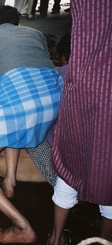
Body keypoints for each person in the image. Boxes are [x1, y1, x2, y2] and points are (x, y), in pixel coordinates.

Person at [0, 6, 63, 243]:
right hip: (56, 98)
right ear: (17, 23)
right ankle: (10, 182)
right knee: (13, 124)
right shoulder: (35, 34)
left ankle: (21, 227)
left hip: (19, 101)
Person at [47, 0, 112, 245]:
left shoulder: (73, 69)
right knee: (108, 174)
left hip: (86, 87)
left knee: (68, 169)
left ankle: (55, 241)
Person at [27, 31, 70, 188]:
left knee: (32, 139)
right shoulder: (101, 78)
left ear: (63, 57)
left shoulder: (55, 75)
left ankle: (64, 187)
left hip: (63, 151)